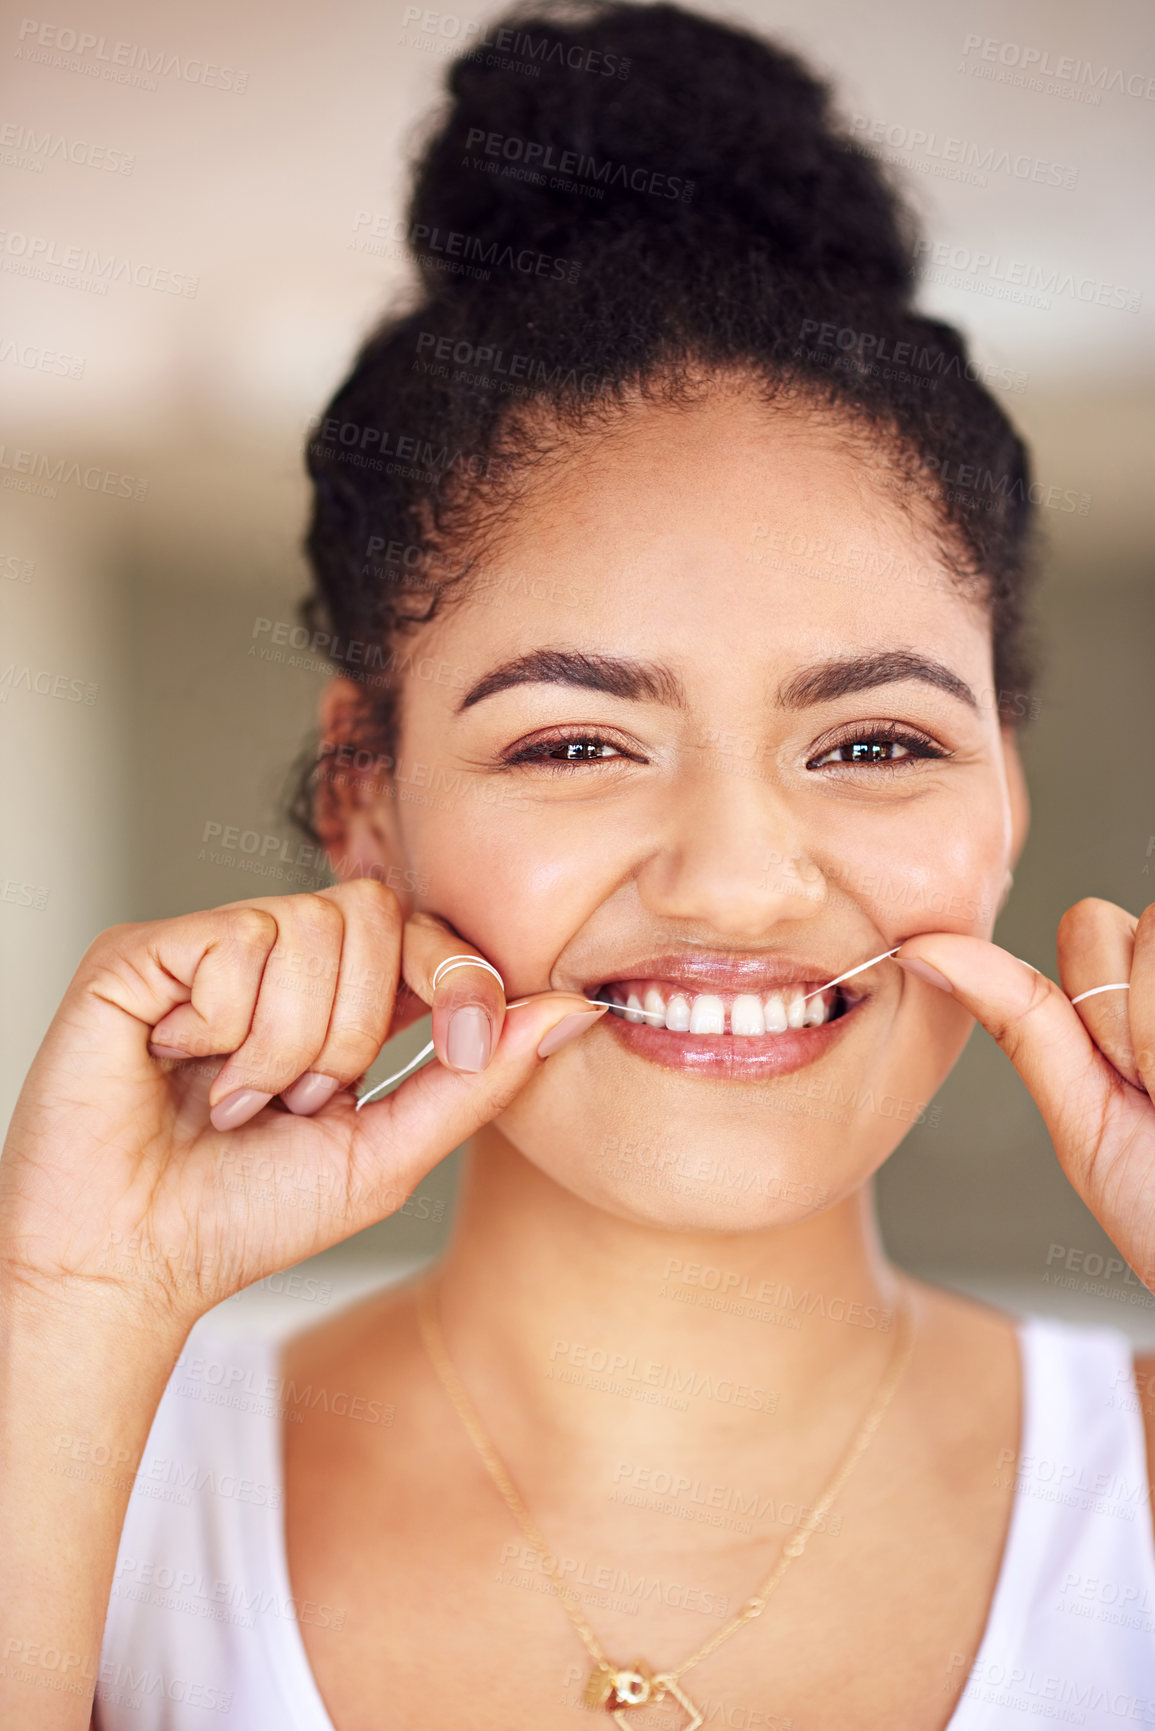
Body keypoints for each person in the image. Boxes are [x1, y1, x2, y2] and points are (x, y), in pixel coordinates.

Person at [2, 3, 1153, 1726]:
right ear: (363, 791)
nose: (741, 882)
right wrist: (69, 1310)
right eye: (574, 743)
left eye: (875, 744)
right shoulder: (91, 1485)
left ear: (1000, 799)